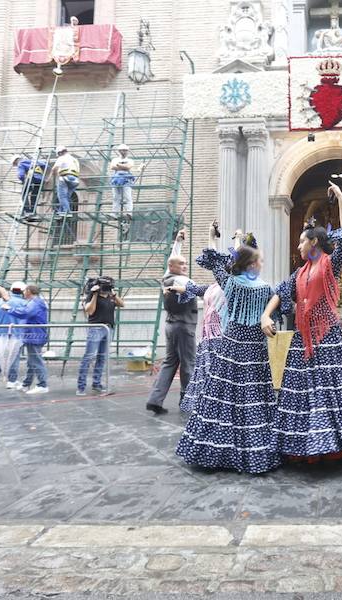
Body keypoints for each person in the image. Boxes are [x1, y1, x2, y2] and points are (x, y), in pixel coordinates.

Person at [262, 182, 342, 460]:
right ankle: (306, 444)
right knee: (303, 392)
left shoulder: (330, 263)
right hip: (302, 338)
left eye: (301, 241)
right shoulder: (299, 272)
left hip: (327, 336)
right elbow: (280, 293)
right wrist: (265, 315)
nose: (298, 245)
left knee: (330, 390)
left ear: (314, 242)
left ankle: (333, 443)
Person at [176, 223, 280, 473]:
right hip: (254, 349)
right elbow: (280, 304)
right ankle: (254, 452)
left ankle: (214, 450)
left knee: (223, 396)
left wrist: (213, 238)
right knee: (253, 396)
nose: (262, 264)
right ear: (252, 264)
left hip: (231, 346)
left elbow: (214, 262)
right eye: (260, 260)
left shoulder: (231, 283)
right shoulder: (266, 288)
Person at [146, 229, 208, 415]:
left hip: (171, 326)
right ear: (172, 267)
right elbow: (197, 289)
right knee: (188, 363)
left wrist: (177, 242)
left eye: (186, 264)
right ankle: (187, 399)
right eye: (181, 264)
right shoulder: (182, 280)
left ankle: (155, 400)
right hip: (184, 326)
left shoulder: (166, 278)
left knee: (170, 362)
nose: (185, 266)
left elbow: (172, 259)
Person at [77, 275, 123, 395]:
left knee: (102, 357)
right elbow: (90, 311)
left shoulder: (110, 297)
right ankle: (81, 386)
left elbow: (122, 304)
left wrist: (113, 295)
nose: (106, 289)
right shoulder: (92, 296)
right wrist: (95, 295)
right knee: (89, 356)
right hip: (96, 328)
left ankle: (96, 384)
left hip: (109, 328)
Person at [1, 284, 49, 395]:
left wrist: (10, 309)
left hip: (34, 335)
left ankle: (42, 385)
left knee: (36, 361)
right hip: (32, 335)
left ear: (29, 291)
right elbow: (25, 311)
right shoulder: (35, 302)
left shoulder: (35, 303)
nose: (23, 293)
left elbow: (25, 313)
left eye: (24, 291)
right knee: (32, 362)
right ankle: (26, 384)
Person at [0, 281, 28, 389]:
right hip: (17, 334)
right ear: (23, 291)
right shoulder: (24, 303)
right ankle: (11, 381)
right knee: (14, 357)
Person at [11, 154, 48, 219]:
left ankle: (27, 211)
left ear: (16, 160)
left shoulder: (21, 163)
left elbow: (21, 175)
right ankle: (33, 212)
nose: (16, 165)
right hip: (40, 180)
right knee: (34, 196)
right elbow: (44, 165)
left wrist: (23, 181)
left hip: (31, 178)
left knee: (24, 194)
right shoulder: (33, 161)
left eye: (15, 164)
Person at [110, 143, 141, 218]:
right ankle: (115, 213)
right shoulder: (115, 159)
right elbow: (112, 167)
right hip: (116, 179)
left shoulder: (130, 160)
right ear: (119, 151)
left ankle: (129, 212)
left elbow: (128, 167)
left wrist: (118, 165)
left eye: (125, 150)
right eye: (122, 150)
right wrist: (123, 167)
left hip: (126, 179)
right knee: (116, 197)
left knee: (127, 196)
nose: (124, 152)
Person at [51, 146, 80, 217]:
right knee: (67, 197)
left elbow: (54, 168)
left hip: (65, 178)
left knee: (62, 196)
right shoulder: (75, 159)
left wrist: (50, 178)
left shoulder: (62, 158)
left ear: (60, 152)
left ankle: (66, 212)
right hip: (75, 180)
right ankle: (62, 211)